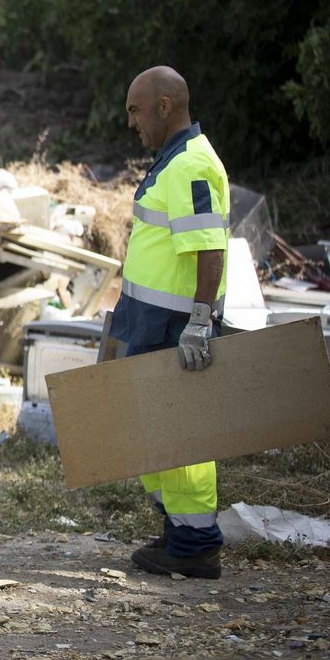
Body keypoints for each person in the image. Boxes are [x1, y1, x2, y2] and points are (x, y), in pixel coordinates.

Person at [111, 65, 229, 579]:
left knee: (180, 436)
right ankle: (180, 529)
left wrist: (199, 322)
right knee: (153, 433)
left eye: (136, 110)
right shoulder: (174, 161)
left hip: (175, 325)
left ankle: (196, 542)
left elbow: (208, 248)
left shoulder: (191, 166)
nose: (131, 121)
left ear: (164, 106)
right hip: (153, 319)